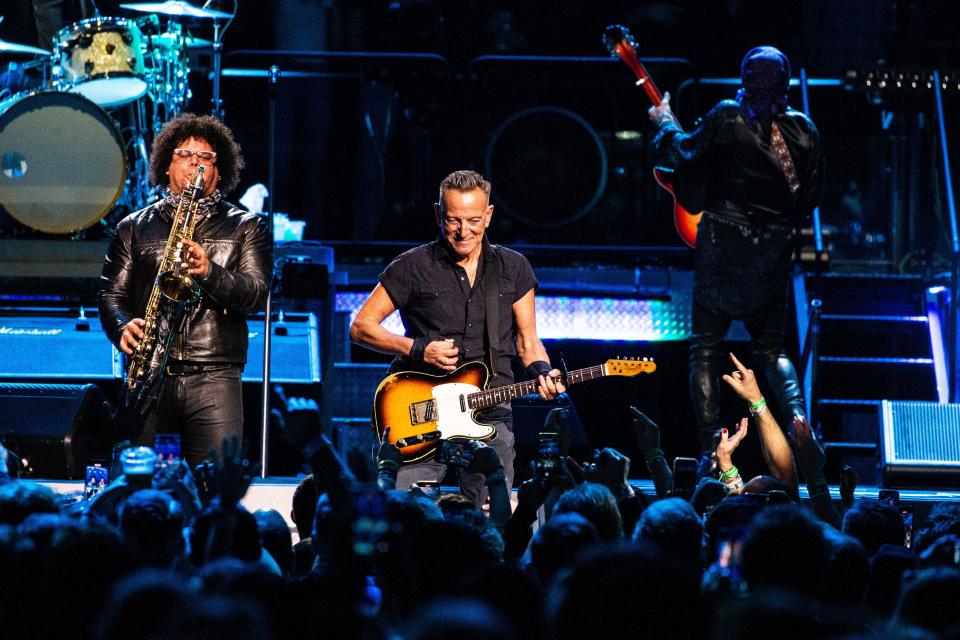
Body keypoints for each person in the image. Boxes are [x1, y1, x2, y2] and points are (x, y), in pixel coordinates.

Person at [648, 46, 825, 475]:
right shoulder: (804, 129)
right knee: (772, 349)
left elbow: (683, 154)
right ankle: (799, 419)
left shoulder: (728, 115)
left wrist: (664, 122)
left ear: (745, 79)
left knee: (705, 350)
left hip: (722, 244)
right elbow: (812, 197)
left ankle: (713, 447)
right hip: (772, 250)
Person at [349, 169, 564, 505]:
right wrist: (419, 349)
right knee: (402, 514)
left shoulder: (514, 267)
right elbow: (361, 326)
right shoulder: (412, 266)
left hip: (489, 410)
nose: (464, 231)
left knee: (490, 516)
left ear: (489, 215)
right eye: (453, 220)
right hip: (420, 411)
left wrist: (541, 371)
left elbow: (527, 340)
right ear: (438, 214)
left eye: (474, 220)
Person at [99, 113, 271, 468]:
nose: (195, 162)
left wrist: (209, 271)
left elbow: (255, 294)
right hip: (149, 373)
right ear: (165, 166)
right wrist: (122, 327)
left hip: (215, 376)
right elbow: (111, 296)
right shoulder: (133, 227)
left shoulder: (247, 226)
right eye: (184, 154)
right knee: (144, 486)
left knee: (217, 486)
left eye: (206, 157)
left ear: (220, 172)